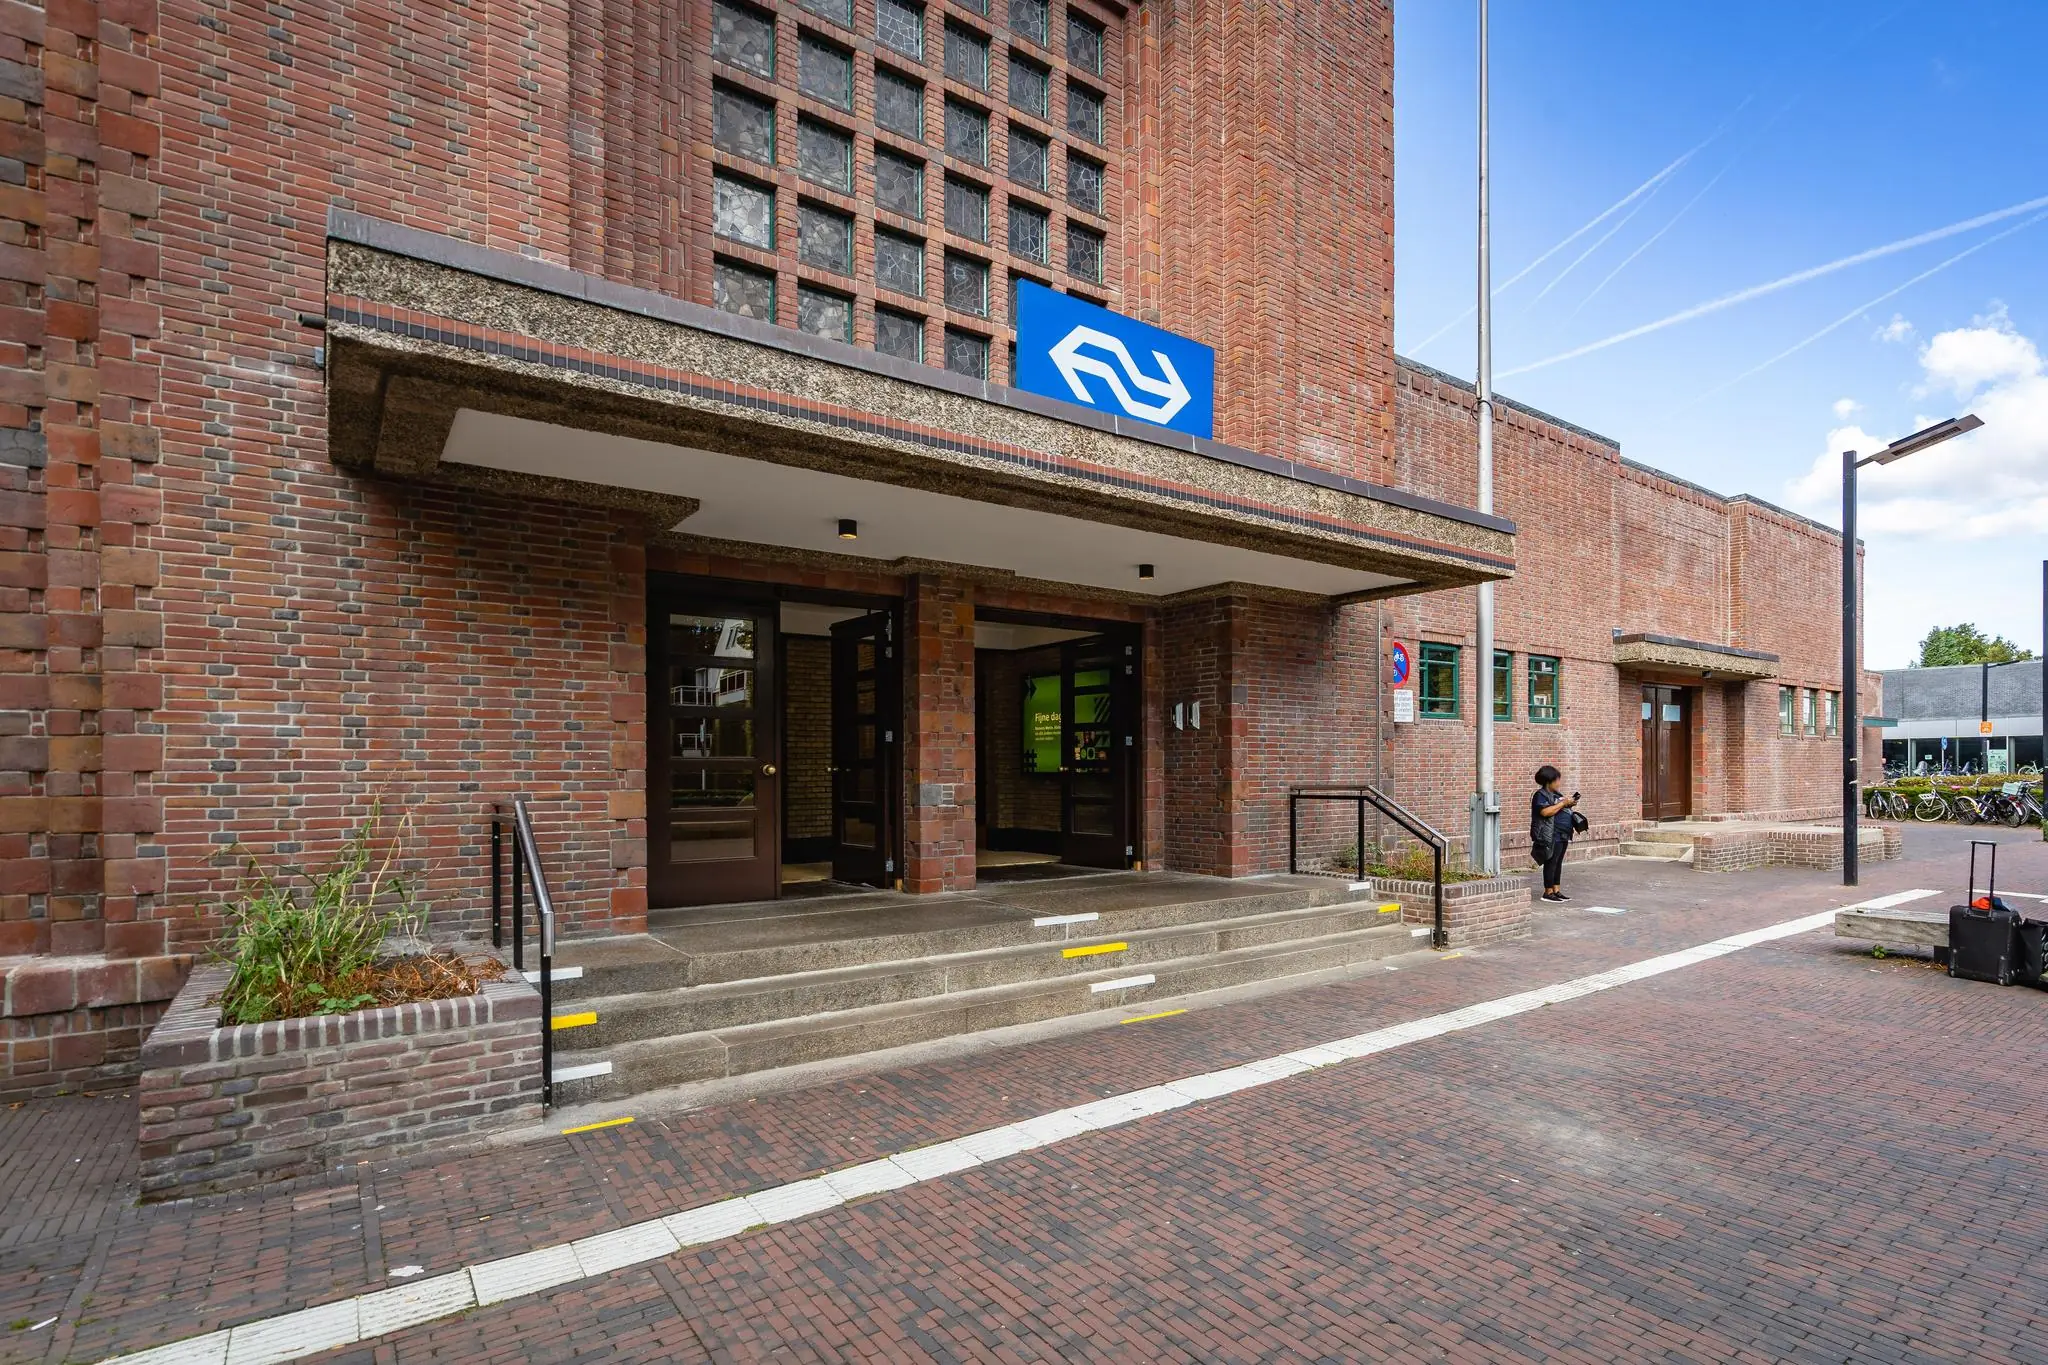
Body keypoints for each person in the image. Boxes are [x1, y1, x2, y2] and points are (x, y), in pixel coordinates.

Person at [1530, 765, 1579, 903]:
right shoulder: (1540, 795)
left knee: (1558, 863)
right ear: (1549, 781)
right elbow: (1545, 812)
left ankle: (1556, 890)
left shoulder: (1556, 794)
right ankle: (1548, 892)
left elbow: (1559, 808)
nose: (1559, 783)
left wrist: (1569, 804)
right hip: (1550, 834)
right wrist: (1563, 804)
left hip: (1563, 833)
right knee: (1551, 862)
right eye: (1557, 780)